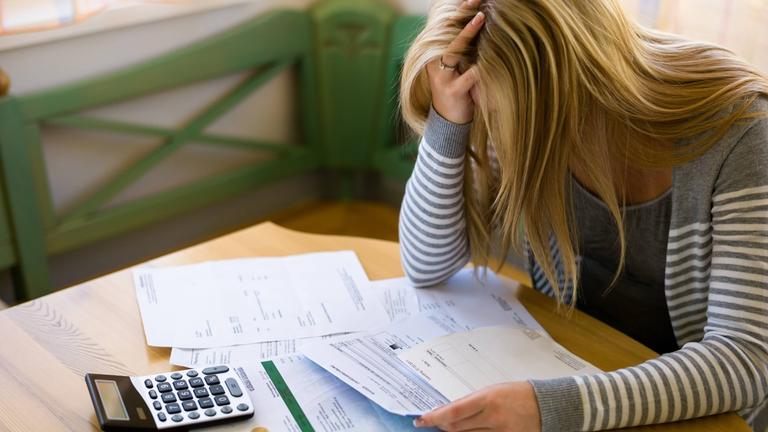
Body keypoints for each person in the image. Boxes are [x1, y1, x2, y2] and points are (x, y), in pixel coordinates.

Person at [398, 0, 768, 431]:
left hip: (704, 415)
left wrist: (549, 406)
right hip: (581, 373)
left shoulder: (741, 129)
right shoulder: (524, 110)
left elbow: (745, 359)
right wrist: (449, 121)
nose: (492, 128)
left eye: (493, 113)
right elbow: (425, 263)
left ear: (568, 85)